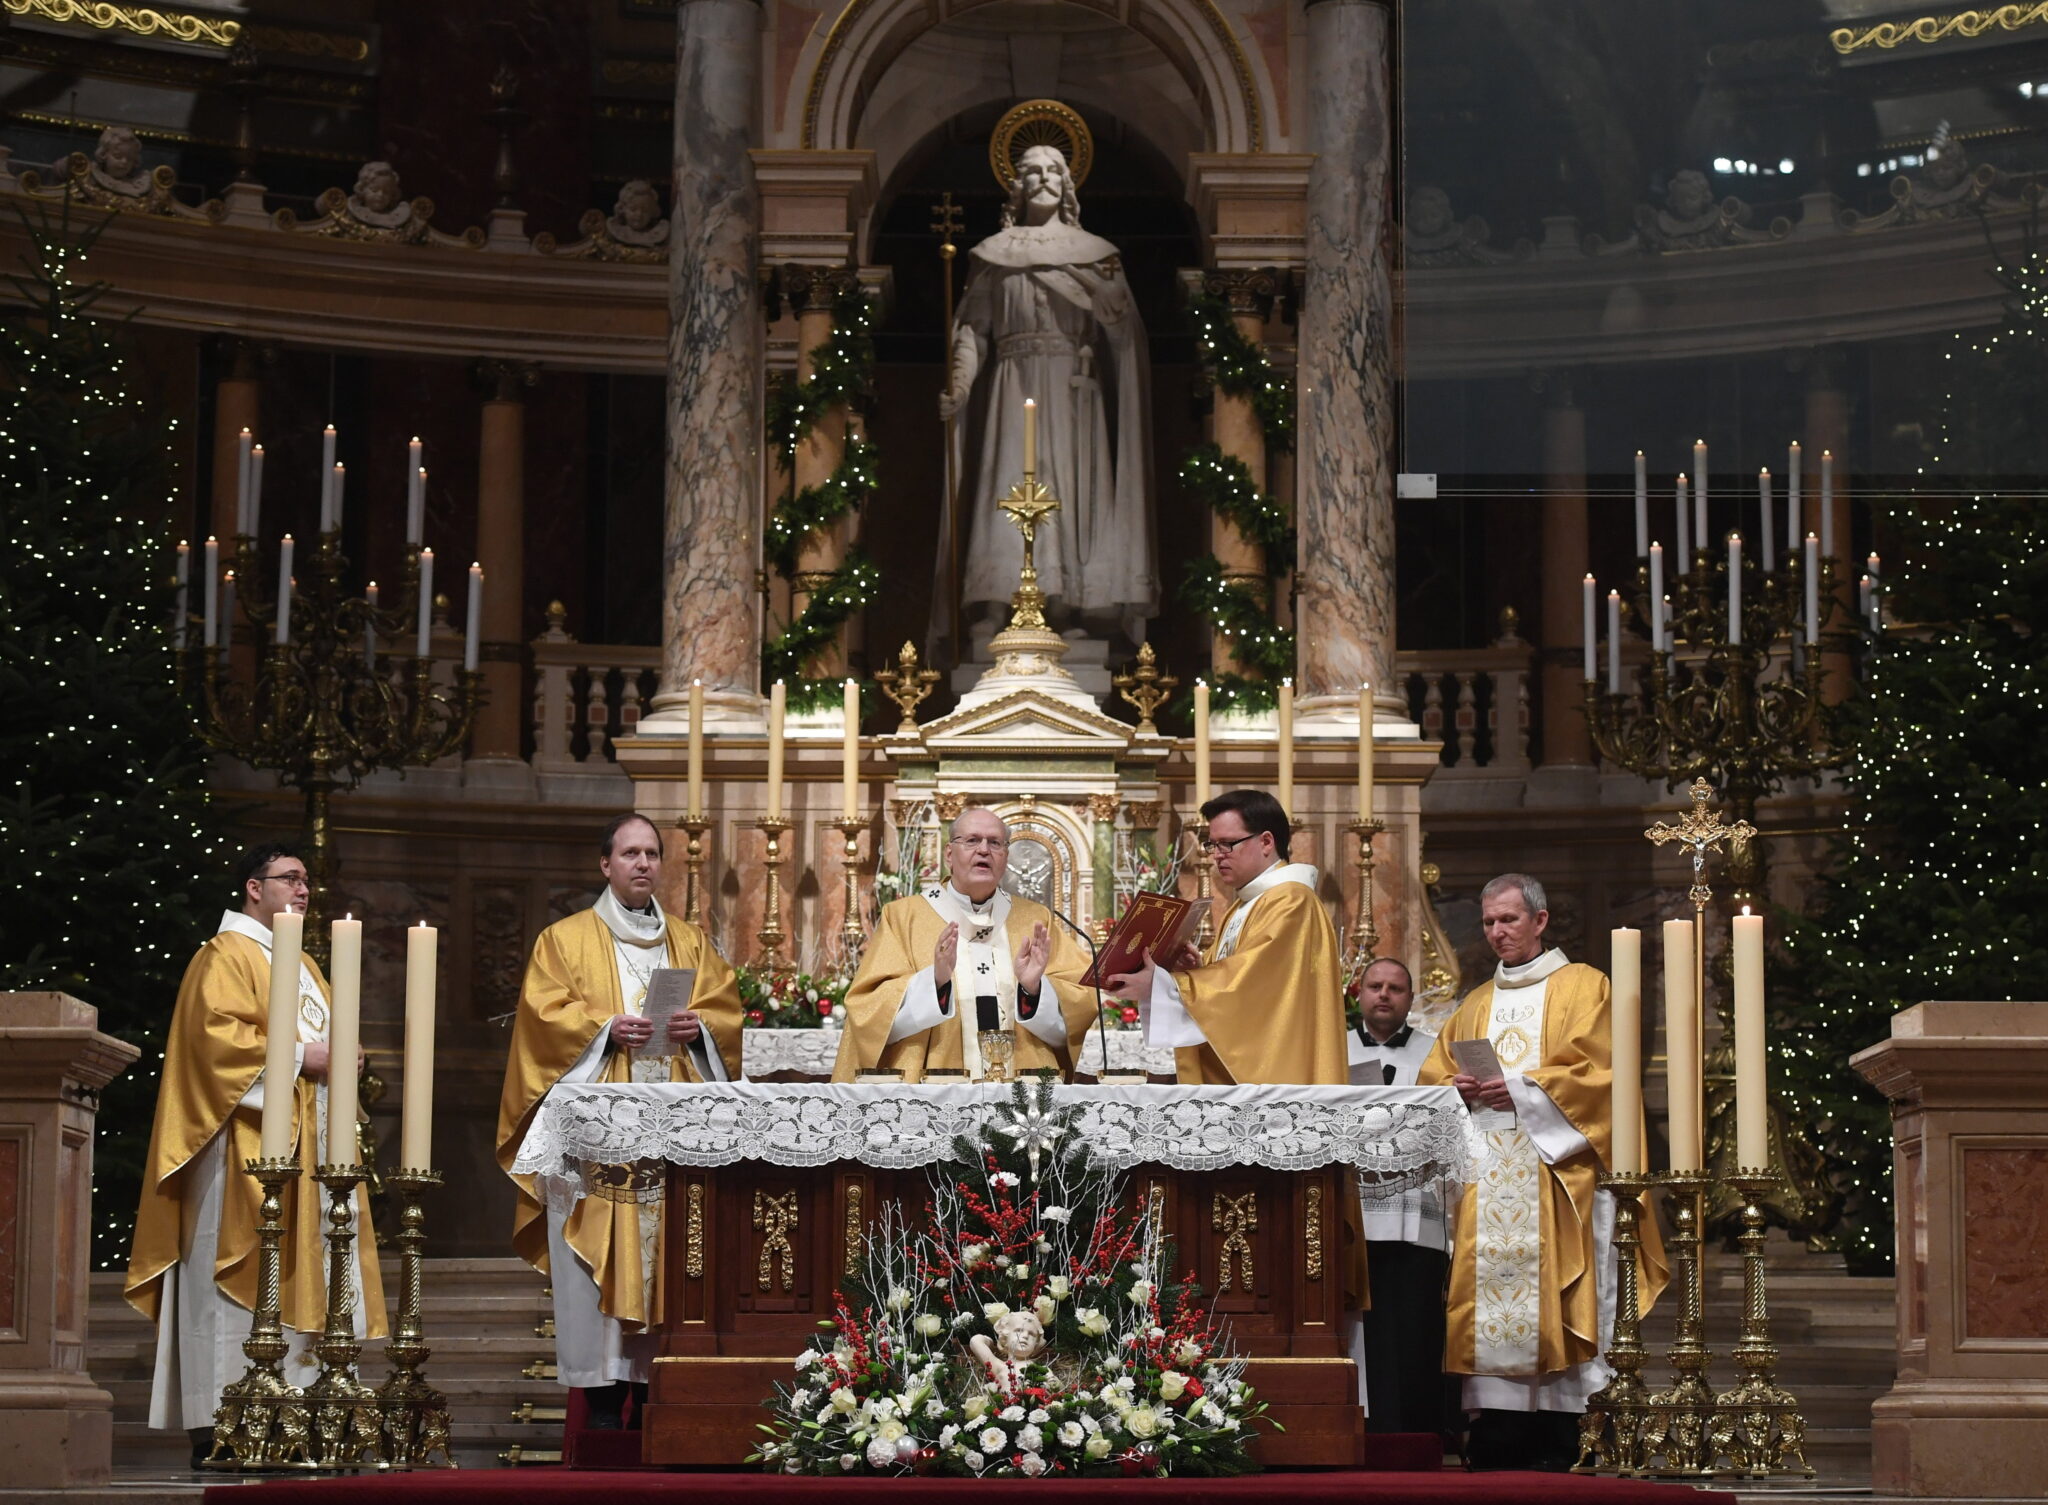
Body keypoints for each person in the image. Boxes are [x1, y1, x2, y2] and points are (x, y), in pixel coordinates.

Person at [125, 843, 385, 1466]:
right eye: (289, 878)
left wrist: (345, 1057)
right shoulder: (224, 955)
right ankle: (226, 1420)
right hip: (241, 1149)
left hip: (313, 1149)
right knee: (235, 1270)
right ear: (253, 887)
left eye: (305, 880)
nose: (303, 889)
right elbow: (214, 1043)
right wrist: (302, 1057)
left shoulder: (308, 967)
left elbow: (325, 1041)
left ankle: (301, 1412)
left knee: (310, 1269)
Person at [496, 813, 745, 1429]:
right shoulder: (564, 939)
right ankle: (603, 1400)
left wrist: (700, 1029)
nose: (643, 864)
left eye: (652, 854)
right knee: (593, 1253)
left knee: (670, 1258)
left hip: (673, 1137)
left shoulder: (689, 942)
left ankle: (658, 1391)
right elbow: (541, 1018)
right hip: (596, 1138)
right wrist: (603, 1030)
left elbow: (724, 1010)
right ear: (605, 864)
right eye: (630, 853)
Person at [1418, 873, 1666, 1469]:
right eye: (1488, 922)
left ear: (1540, 920)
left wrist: (1525, 1090)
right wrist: (1455, 1089)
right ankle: (1499, 1430)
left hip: (1558, 1175)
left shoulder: (1584, 986)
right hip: (1488, 1175)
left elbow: (1600, 1072)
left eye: (1508, 919)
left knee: (1565, 1298)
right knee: (1491, 1302)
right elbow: (1433, 1076)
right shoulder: (1475, 1003)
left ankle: (1566, 1431)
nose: (1497, 932)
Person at [934, 142, 1155, 644]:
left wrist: (1110, 309)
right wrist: (961, 384)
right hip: (1012, 381)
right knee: (1006, 483)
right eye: (1032, 171)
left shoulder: (1096, 255)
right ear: (1017, 186)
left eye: (1054, 170)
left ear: (1067, 184)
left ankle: (1064, 605)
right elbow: (973, 330)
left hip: (1072, 388)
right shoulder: (993, 255)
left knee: (1066, 489)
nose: (1044, 178)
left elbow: (1122, 333)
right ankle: (997, 602)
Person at [1101, 789, 1346, 1085]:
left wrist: (1165, 985)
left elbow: (1253, 985)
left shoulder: (1292, 901)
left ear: (1266, 841)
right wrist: (1197, 969)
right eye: (1212, 845)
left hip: (1277, 1072)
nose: (1217, 855)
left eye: (1228, 844)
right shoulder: (1247, 903)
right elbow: (1240, 980)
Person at [832, 807, 1095, 1081]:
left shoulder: (1035, 919)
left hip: (1022, 1086)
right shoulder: (903, 917)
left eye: (995, 843)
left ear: (1005, 857)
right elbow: (869, 1012)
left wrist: (1033, 990)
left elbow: (1079, 1007)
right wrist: (935, 981)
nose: (984, 850)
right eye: (972, 840)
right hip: (934, 1084)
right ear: (949, 854)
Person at [1342, 957, 1451, 1438]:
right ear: (1359, 993)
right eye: (1375, 986)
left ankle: (1415, 1432)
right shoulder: (1332, 1049)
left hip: (1418, 1212)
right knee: (1360, 1323)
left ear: (1410, 997)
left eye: (1396, 988)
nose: (1384, 995)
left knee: (1414, 1318)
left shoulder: (1436, 1054)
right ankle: (1359, 1426)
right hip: (1353, 1211)